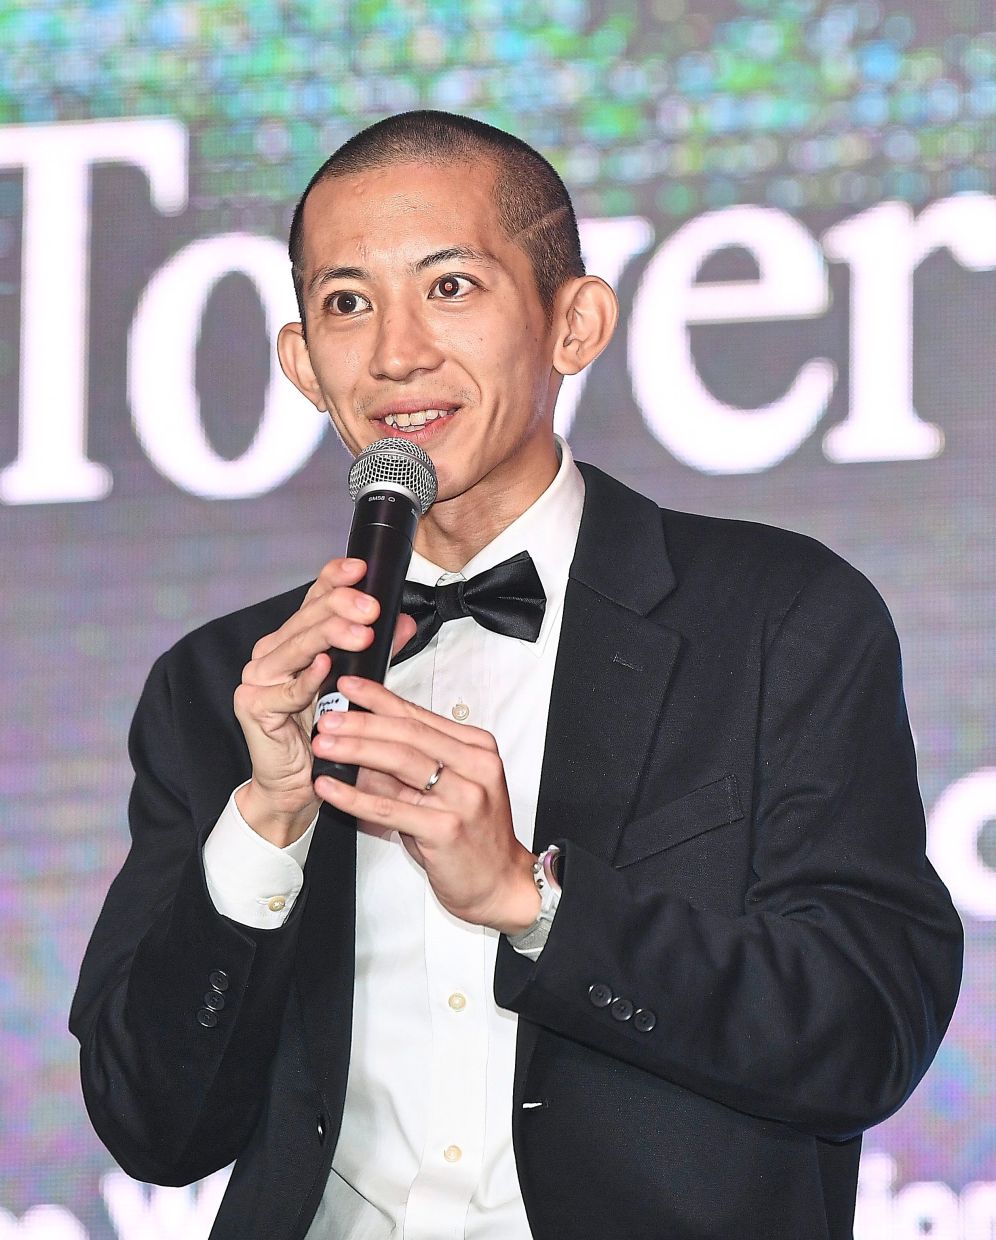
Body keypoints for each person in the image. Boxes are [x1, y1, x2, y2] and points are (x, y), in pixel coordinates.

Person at [71, 111, 962, 1240]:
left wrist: (532, 904)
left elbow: (862, 1028)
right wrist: (267, 823)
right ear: (300, 363)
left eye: (450, 287)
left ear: (574, 323)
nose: (395, 353)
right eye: (347, 303)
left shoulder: (777, 616)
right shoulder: (225, 685)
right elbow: (152, 1128)